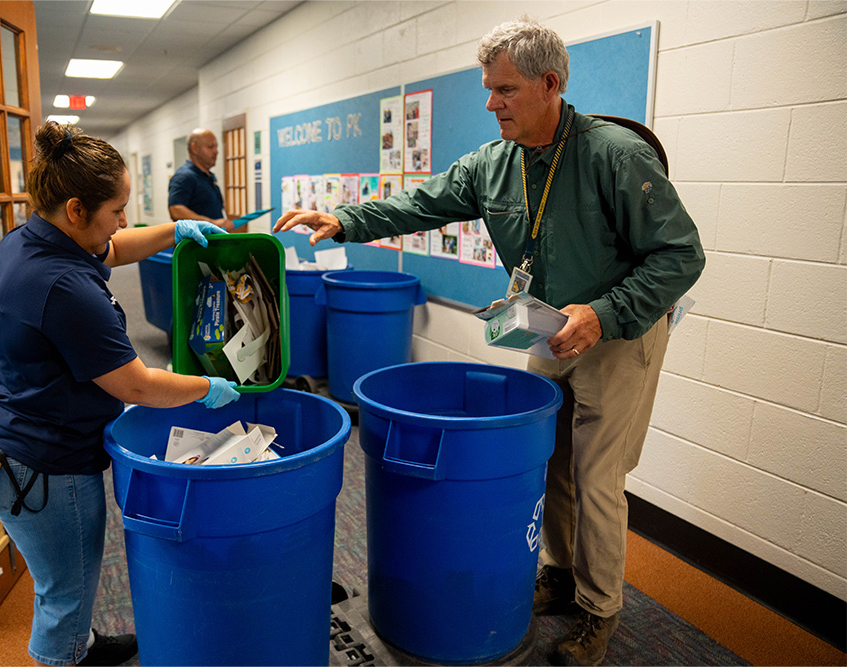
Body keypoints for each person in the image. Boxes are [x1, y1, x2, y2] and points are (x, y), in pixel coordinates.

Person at [273, 17, 704, 667]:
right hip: (545, 324)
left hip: (618, 333)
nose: (489, 103)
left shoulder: (616, 155)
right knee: (547, 461)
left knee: (595, 475)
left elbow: (679, 257)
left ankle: (599, 609)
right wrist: (344, 219)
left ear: (549, 84)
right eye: (488, 88)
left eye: (504, 90)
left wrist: (606, 311)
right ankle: (558, 571)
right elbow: (422, 205)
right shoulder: (494, 165)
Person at [0, 121, 240, 667]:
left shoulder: (28, 240)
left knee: (62, 581)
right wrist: (208, 387)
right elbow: (137, 385)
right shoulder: (63, 287)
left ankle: (86, 645)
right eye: (116, 209)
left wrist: (175, 233)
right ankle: (66, 651)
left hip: (9, 440)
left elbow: (113, 250)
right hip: (44, 466)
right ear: (75, 209)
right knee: (64, 596)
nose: (123, 221)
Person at [168, 128, 233, 231]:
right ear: (194, 148)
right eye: (210, 147)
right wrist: (212, 223)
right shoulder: (184, 176)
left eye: (216, 147)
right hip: (196, 245)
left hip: (213, 243)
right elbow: (176, 210)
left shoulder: (209, 176)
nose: (216, 151)